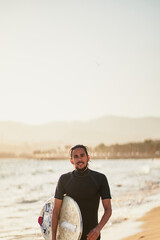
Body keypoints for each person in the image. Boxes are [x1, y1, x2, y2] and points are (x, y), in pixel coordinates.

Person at [51, 144, 112, 240]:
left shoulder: (100, 179)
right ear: (71, 160)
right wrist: (53, 238)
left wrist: (97, 229)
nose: (79, 159)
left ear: (88, 158)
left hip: (91, 236)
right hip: (70, 236)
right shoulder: (64, 179)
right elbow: (56, 211)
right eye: (76, 156)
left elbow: (108, 209)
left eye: (82, 155)